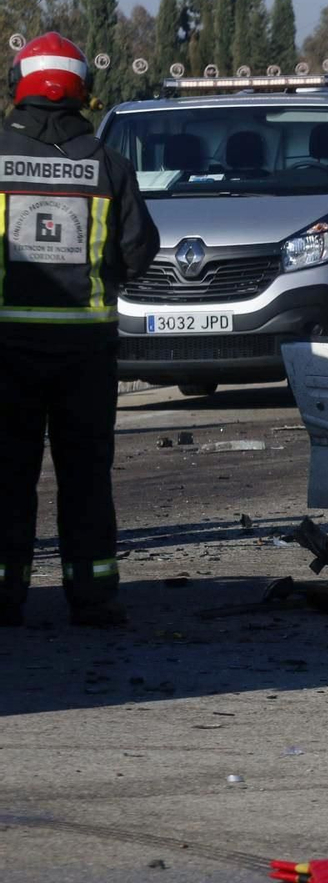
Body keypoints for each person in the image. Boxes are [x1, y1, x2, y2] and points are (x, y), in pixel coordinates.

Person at [0, 33, 159, 627]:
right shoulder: (108, 165)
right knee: (86, 477)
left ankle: (5, 594)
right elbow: (140, 251)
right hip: (85, 354)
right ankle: (92, 597)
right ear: (81, 93)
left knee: (7, 474)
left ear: (19, 83)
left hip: (5, 351)